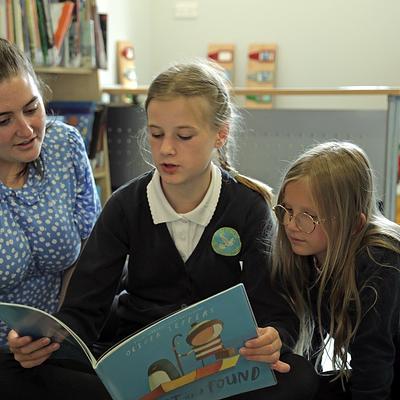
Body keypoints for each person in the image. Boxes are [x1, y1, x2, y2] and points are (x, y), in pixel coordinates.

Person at [5, 59, 317, 399]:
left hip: (223, 359)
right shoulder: (126, 205)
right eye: (155, 134)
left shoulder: (248, 208)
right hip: (143, 362)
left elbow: (275, 312)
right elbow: (84, 309)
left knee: (300, 378)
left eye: (184, 136)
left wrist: (273, 337)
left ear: (220, 134)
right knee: (25, 375)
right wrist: (47, 342)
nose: (166, 148)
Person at [0, 37, 101, 390]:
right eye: (3, 120)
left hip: (66, 336)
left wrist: (62, 326)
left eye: (32, 108)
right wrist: (20, 344)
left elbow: (90, 248)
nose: (27, 130)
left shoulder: (64, 145)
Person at [271, 141, 400, 400]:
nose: (291, 224)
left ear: (353, 224)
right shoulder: (307, 254)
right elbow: (313, 343)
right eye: (288, 210)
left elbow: (374, 362)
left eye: (308, 216)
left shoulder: (381, 265)